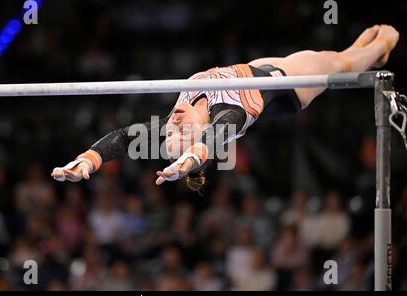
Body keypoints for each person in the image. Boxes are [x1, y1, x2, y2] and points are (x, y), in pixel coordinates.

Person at [51, 25, 399, 191]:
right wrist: (189, 160)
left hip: (250, 69)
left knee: (339, 61)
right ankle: (383, 46)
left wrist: (86, 161)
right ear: (199, 135)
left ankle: (354, 55)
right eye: (180, 131)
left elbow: (125, 138)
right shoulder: (228, 116)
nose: (172, 123)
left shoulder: (180, 118)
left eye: (168, 130)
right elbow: (216, 138)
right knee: (338, 62)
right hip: (288, 86)